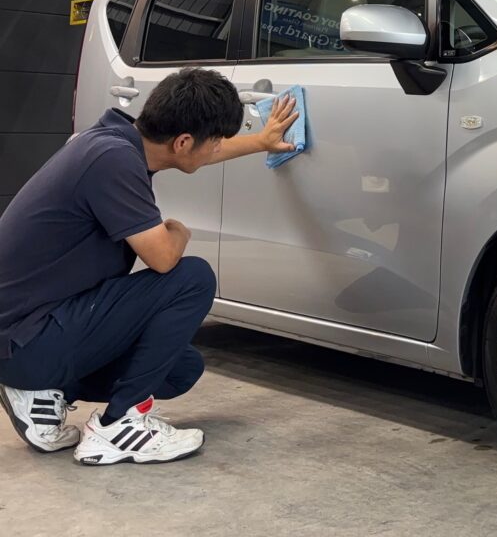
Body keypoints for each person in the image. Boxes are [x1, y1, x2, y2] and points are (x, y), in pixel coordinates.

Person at [0, 67, 298, 466]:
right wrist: (177, 231)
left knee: (179, 369)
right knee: (192, 278)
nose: (217, 150)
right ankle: (117, 425)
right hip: (25, 339)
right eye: (215, 142)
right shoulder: (112, 162)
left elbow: (201, 152)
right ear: (183, 140)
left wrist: (261, 141)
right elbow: (162, 257)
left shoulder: (117, 143)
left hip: (30, 335)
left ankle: (43, 390)